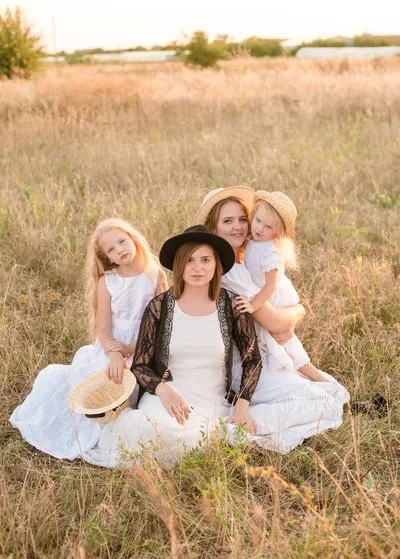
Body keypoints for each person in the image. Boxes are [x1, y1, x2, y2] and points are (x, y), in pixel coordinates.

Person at [83, 225, 263, 467]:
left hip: (210, 398)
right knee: (152, 430)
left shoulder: (233, 306)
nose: (197, 267)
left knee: (193, 439)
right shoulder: (160, 307)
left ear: (216, 265)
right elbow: (140, 366)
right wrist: (162, 390)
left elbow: (253, 359)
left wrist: (241, 409)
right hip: (166, 394)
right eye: (189, 260)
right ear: (179, 266)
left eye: (205, 259)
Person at [195, 187, 350, 453]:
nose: (238, 227)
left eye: (242, 219)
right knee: (324, 399)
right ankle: (234, 428)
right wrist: (299, 311)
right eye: (227, 221)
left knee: (327, 388)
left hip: (263, 353)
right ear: (213, 227)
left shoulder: (244, 257)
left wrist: (298, 311)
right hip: (245, 365)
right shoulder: (228, 271)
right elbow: (277, 324)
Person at [10, 219, 167, 460]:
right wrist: (116, 353)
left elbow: (158, 326)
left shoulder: (155, 276)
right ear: (108, 258)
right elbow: (102, 329)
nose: (119, 250)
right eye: (111, 250)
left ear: (133, 238)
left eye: (122, 241)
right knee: (100, 385)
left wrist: (131, 349)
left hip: (145, 346)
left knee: (130, 390)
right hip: (111, 346)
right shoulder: (109, 281)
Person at [242, 190, 328, 383]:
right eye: (257, 221)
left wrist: (254, 305)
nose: (260, 229)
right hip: (263, 294)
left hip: (273, 297)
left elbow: (271, 286)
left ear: (277, 232)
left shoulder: (270, 252)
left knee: (285, 340)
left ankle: (317, 378)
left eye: (268, 226)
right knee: (277, 341)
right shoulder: (252, 241)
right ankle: (293, 373)